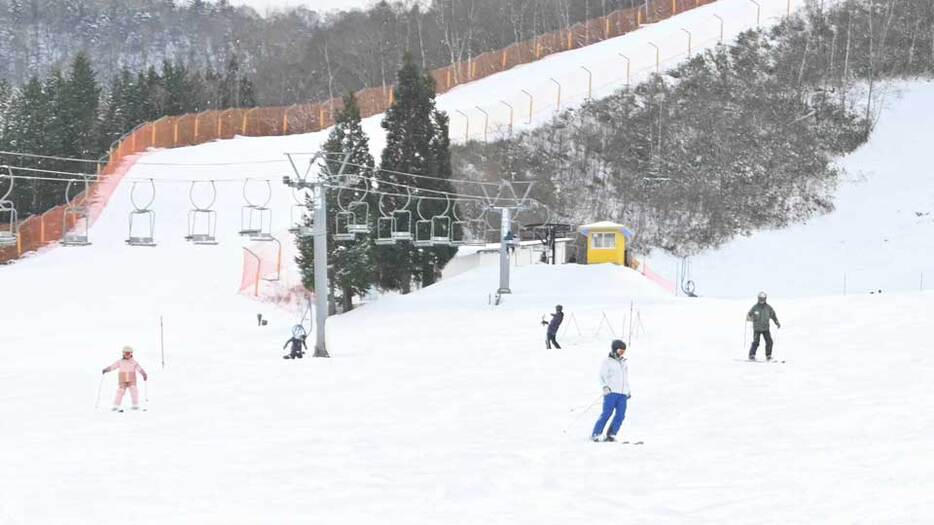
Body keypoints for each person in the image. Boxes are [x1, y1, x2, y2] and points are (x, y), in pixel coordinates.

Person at [592, 340, 630, 442]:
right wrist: (604, 386)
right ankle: (596, 433)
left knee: (621, 415)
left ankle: (611, 434)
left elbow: (625, 378)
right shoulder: (607, 362)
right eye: (620, 351)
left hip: (622, 394)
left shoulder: (623, 362)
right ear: (614, 350)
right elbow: (601, 376)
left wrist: (628, 390)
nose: (622, 353)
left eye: (623, 352)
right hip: (611, 392)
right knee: (606, 414)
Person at [102, 346, 148, 412]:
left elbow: (139, 368)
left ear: (131, 353)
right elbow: (113, 366)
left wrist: (143, 374)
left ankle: (135, 405)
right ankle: (116, 405)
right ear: (123, 354)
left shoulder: (134, 362)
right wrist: (106, 369)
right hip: (122, 379)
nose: (127, 355)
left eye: (128, 353)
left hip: (132, 379)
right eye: (126, 353)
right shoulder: (120, 362)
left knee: (134, 391)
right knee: (120, 391)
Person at [747, 291, 781, 361]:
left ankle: (768, 356)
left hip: (766, 328)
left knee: (769, 342)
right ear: (758, 299)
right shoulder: (755, 307)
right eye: (760, 299)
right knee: (756, 342)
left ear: (765, 299)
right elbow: (749, 315)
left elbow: (773, 315)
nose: (762, 300)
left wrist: (776, 322)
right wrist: (750, 318)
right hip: (757, 329)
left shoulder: (768, 308)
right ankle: (751, 355)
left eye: (763, 299)